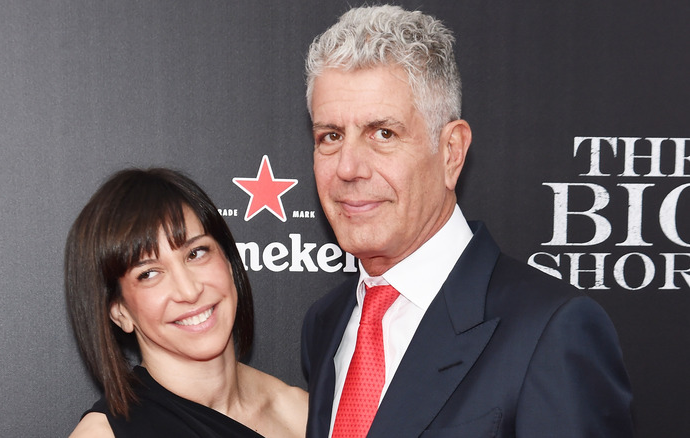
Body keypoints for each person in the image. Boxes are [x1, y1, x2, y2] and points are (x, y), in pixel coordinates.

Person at [301, 5, 634, 437]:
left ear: (452, 152)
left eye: (383, 133)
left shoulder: (552, 332)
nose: (348, 168)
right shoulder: (325, 323)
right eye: (330, 136)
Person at [65, 168, 307, 437]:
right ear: (119, 311)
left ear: (228, 259)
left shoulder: (302, 413)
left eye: (196, 253)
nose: (189, 291)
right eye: (149, 274)